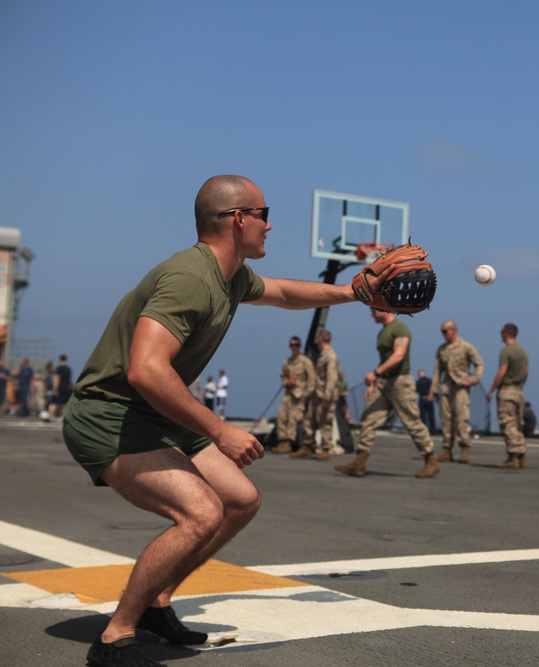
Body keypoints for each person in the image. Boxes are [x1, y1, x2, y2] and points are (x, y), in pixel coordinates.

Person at [61, 174, 394, 667]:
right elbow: (144, 368)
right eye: (263, 214)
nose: (270, 225)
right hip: (109, 413)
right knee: (201, 513)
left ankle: (157, 602)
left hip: (154, 413)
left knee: (239, 500)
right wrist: (219, 429)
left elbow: (283, 292)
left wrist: (353, 293)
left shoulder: (231, 275)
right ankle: (116, 636)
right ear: (238, 219)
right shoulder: (190, 278)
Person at [335, 309, 438, 479]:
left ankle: (431, 460)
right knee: (369, 417)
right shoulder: (383, 332)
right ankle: (359, 463)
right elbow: (386, 361)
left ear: (384, 309)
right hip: (384, 382)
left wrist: (375, 373)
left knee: (412, 421)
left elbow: (399, 356)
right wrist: (376, 381)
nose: (371, 314)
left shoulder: (400, 329)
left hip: (400, 382)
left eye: (373, 310)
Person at [429, 320, 484, 464]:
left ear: (453, 330)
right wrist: (433, 390)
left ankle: (464, 449)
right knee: (446, 420)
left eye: (445, 331)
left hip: (461, 387)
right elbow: (437, 371)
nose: (443, 335)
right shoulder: (442, 349)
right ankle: (447, 450)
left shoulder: (466, 347)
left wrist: (474, 379)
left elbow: (479, 363)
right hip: (446, 388)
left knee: (461, 418)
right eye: (442, 331)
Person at [486, 323, 529, 469]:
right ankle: (521, 455)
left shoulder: (506, 351)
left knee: (507, 423)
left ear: (506, 333)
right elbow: (526, 373)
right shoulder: (523, 351)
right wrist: (520, 385)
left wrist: (492, 390)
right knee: (517, 424)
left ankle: (512, 457)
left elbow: (502, 372)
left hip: (507, 391)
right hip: (519, 391)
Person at [295, 328, 342, 460]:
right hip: (317, 395)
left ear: (320, 339)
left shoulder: (330, 356)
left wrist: (327, 397)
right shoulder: (323, 355)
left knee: (325, 422)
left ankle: (326, 448)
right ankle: (307, 447)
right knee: (309, 420)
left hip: (324, 396)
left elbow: (331, 378)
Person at [274, 336, 315, 455]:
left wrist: (305, 396)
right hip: (288, 394)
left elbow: (311, 380)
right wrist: (287, 383)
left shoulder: (305, 362)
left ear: (300, 346)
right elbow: (283, 376)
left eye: (296, 345)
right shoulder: (287, 362)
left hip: (299, 395)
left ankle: (288, 442)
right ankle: (282, 440)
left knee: (293, 418)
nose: (294, 347)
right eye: (292, 345)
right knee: (281, 416)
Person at [45, 354, 73, 422]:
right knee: (63, 404)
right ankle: (62, 416)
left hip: (59, 389)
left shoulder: (59, 369)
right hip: (66, 389)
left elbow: (57, 379)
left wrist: (55, 389)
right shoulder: (68, 369)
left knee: (53, 402)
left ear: (60, 360)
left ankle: (50, 416)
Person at [334, 369, 355, 453]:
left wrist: (345, 393)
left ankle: (349, 420)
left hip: (342, 399)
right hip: (336, 399)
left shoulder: (344, 382)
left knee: (344, 414)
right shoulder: (336, 382)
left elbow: (346, 390)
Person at [415, 369, 436, 433]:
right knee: (430, 416)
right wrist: (437, 398)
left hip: (423, 399)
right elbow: (434, 389)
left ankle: (424, 430)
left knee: (423, 416)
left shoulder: (418, 382)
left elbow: (415, 390)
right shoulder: (429, 381)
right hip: (428, 399)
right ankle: (432, 430)